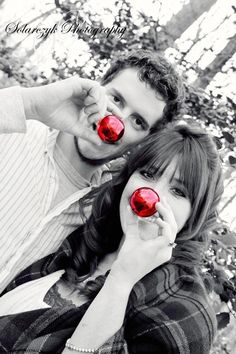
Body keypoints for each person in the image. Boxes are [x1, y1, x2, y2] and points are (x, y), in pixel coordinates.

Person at [0, 123, 223, 354]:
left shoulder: (185, 315)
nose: (151, 196)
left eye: (178, 191)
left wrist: (121, 281)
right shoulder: (81, 241)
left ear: (194, 217)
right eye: (147, 174)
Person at [0, 50, 183, 292]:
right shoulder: (12, 128)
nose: (117, 119)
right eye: (116, 99)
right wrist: (30, 104)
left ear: (143, 141)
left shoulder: (107, 215)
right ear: (97, 86)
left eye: (137, 121)